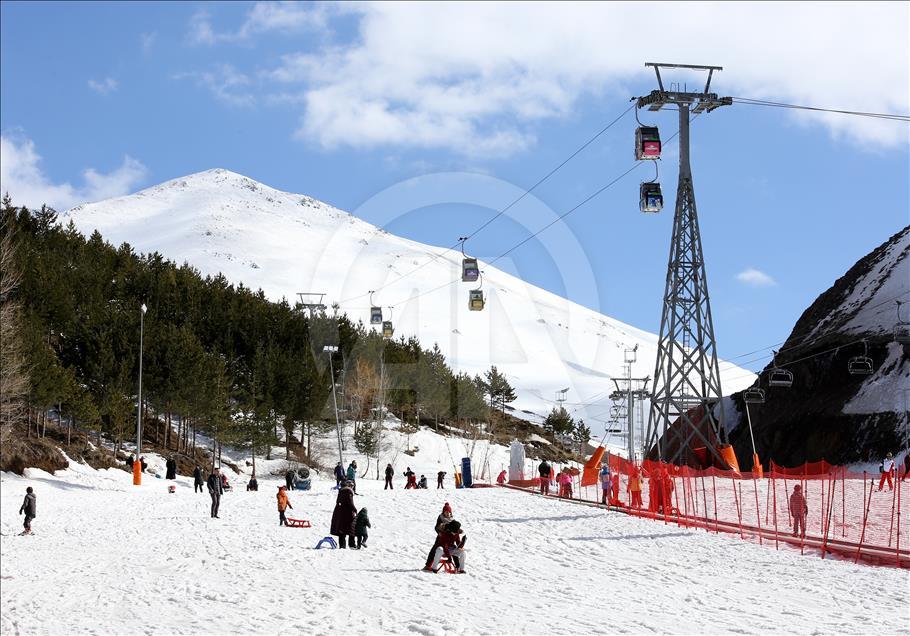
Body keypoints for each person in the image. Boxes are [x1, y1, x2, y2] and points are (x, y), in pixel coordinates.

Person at [423, 502, 454, 570]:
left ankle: (458, 566)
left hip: (449, 539)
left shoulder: (452, 520)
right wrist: (439, 532)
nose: (448, 513)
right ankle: (428, 565)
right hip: (441, 538)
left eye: (449, 512)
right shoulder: (441, 518)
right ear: (443, 512)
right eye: (446, 512)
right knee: (433, 550)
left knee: (454, 548)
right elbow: (436, 527)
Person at [330, 480, 358, 549]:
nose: (352, 487)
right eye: (351, 486)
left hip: (339, 512)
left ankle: (342, 546)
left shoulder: (341, 490)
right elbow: (350, 502)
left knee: (341, 530)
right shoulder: (348, 491)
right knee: (351, 528)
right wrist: (355, 509)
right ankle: (352, 545)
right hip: (347, 513)